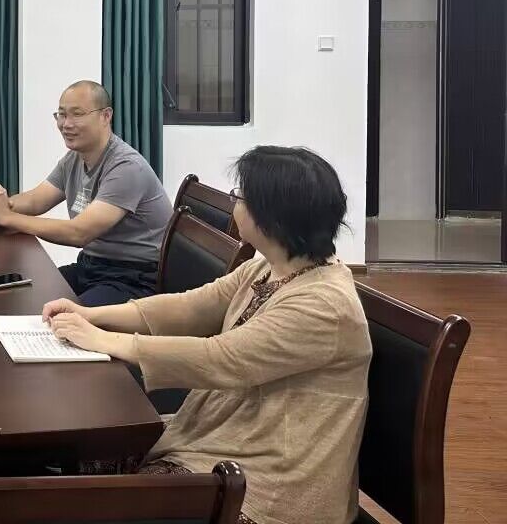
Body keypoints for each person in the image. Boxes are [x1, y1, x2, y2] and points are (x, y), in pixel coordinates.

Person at [43, 146, 371, 524]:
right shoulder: (269, 267)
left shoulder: (324, 304)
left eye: (241, 196)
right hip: (232, 436)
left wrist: (105, 341)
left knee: (97, 499)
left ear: (272, 216)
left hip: (274, 481)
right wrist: (92, 315)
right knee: (81, 452)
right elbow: (192, 306)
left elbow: (221, 357)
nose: (235, 204)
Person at [0, 81, 172, 305]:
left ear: (106, 116)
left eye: (77, 114)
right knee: (20, 296)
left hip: (134, 278)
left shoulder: (126, 167)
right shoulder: (75, 158)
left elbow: (79, 233)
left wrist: (8, 217)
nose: (66, 124)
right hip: (91, 266)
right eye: (61, 115)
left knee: (59, 317)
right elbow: (35, 201)